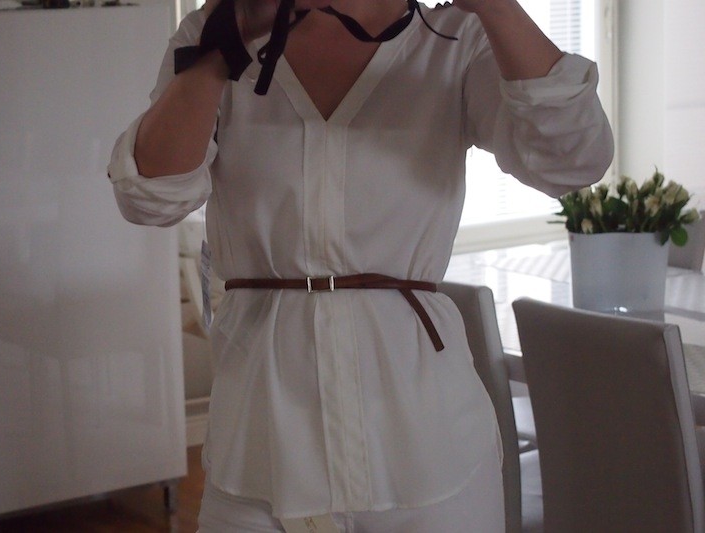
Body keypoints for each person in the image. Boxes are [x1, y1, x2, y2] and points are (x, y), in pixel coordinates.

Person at [108, 0, 613, 530]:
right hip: (260, 450)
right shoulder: (217, 31)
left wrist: (498, 9)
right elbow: (148, 199)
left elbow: (573, 160)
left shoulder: (453, 39)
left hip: (430, 452)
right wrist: (219, 52)